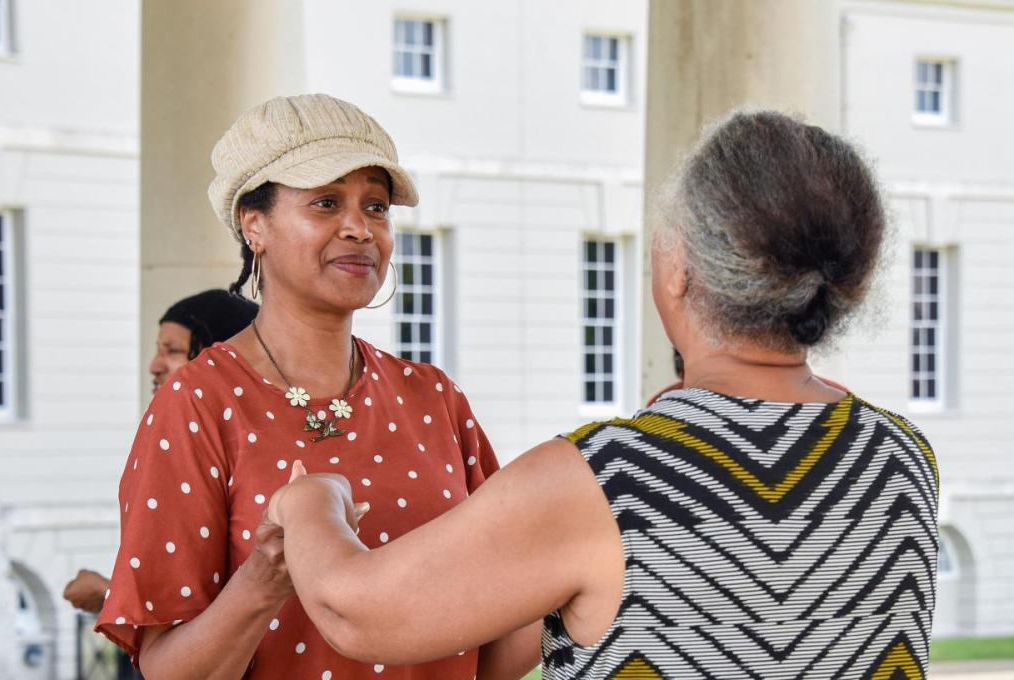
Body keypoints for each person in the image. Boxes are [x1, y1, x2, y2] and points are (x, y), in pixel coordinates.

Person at [266, 111, 941, 678]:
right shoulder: (905, 458)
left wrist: (311, 505)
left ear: (680, 267)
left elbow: (356, 611)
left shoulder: (608, 478)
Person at [96, 94, 537, 679]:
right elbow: (169, 671)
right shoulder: (199, 403)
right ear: (255, 226)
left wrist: (588, 553)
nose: (359, 228)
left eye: (376, 207)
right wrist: (264, 579)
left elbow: (496, 647)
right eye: (326, 203)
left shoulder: (434, 400)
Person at [63, 289, 259, 614]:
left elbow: (198, 597)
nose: (155, 365)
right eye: (158, 350)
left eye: (173, 351)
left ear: (217, 357)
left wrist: (108, 595)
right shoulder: (197, 437)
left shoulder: (231, 448)